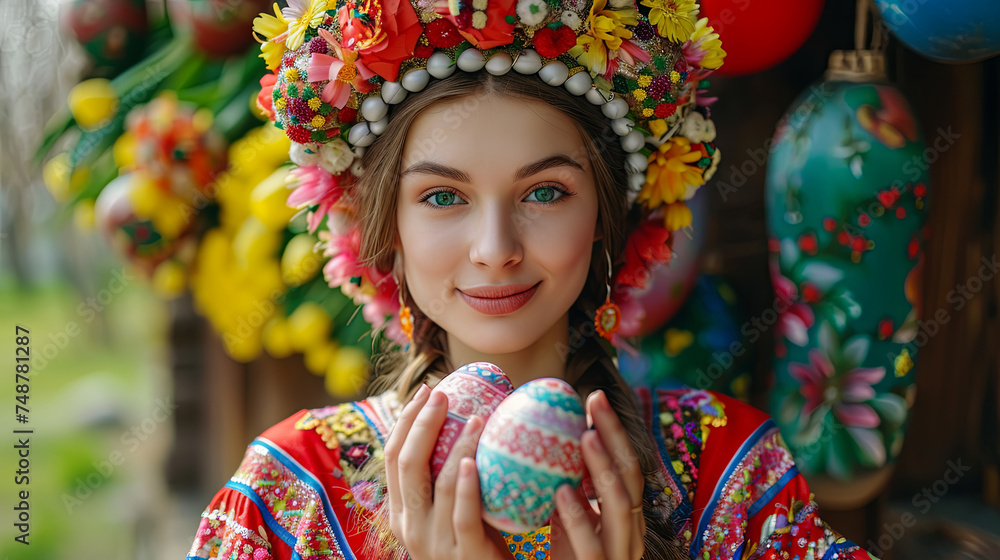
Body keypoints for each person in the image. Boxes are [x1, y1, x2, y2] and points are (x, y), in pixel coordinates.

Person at [187, 1, 879, 559]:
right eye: (441, 196)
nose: (495, 250)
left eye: (545, 193)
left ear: (608, 221)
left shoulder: (729, 472)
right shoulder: (288, 497)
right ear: (386, 231)